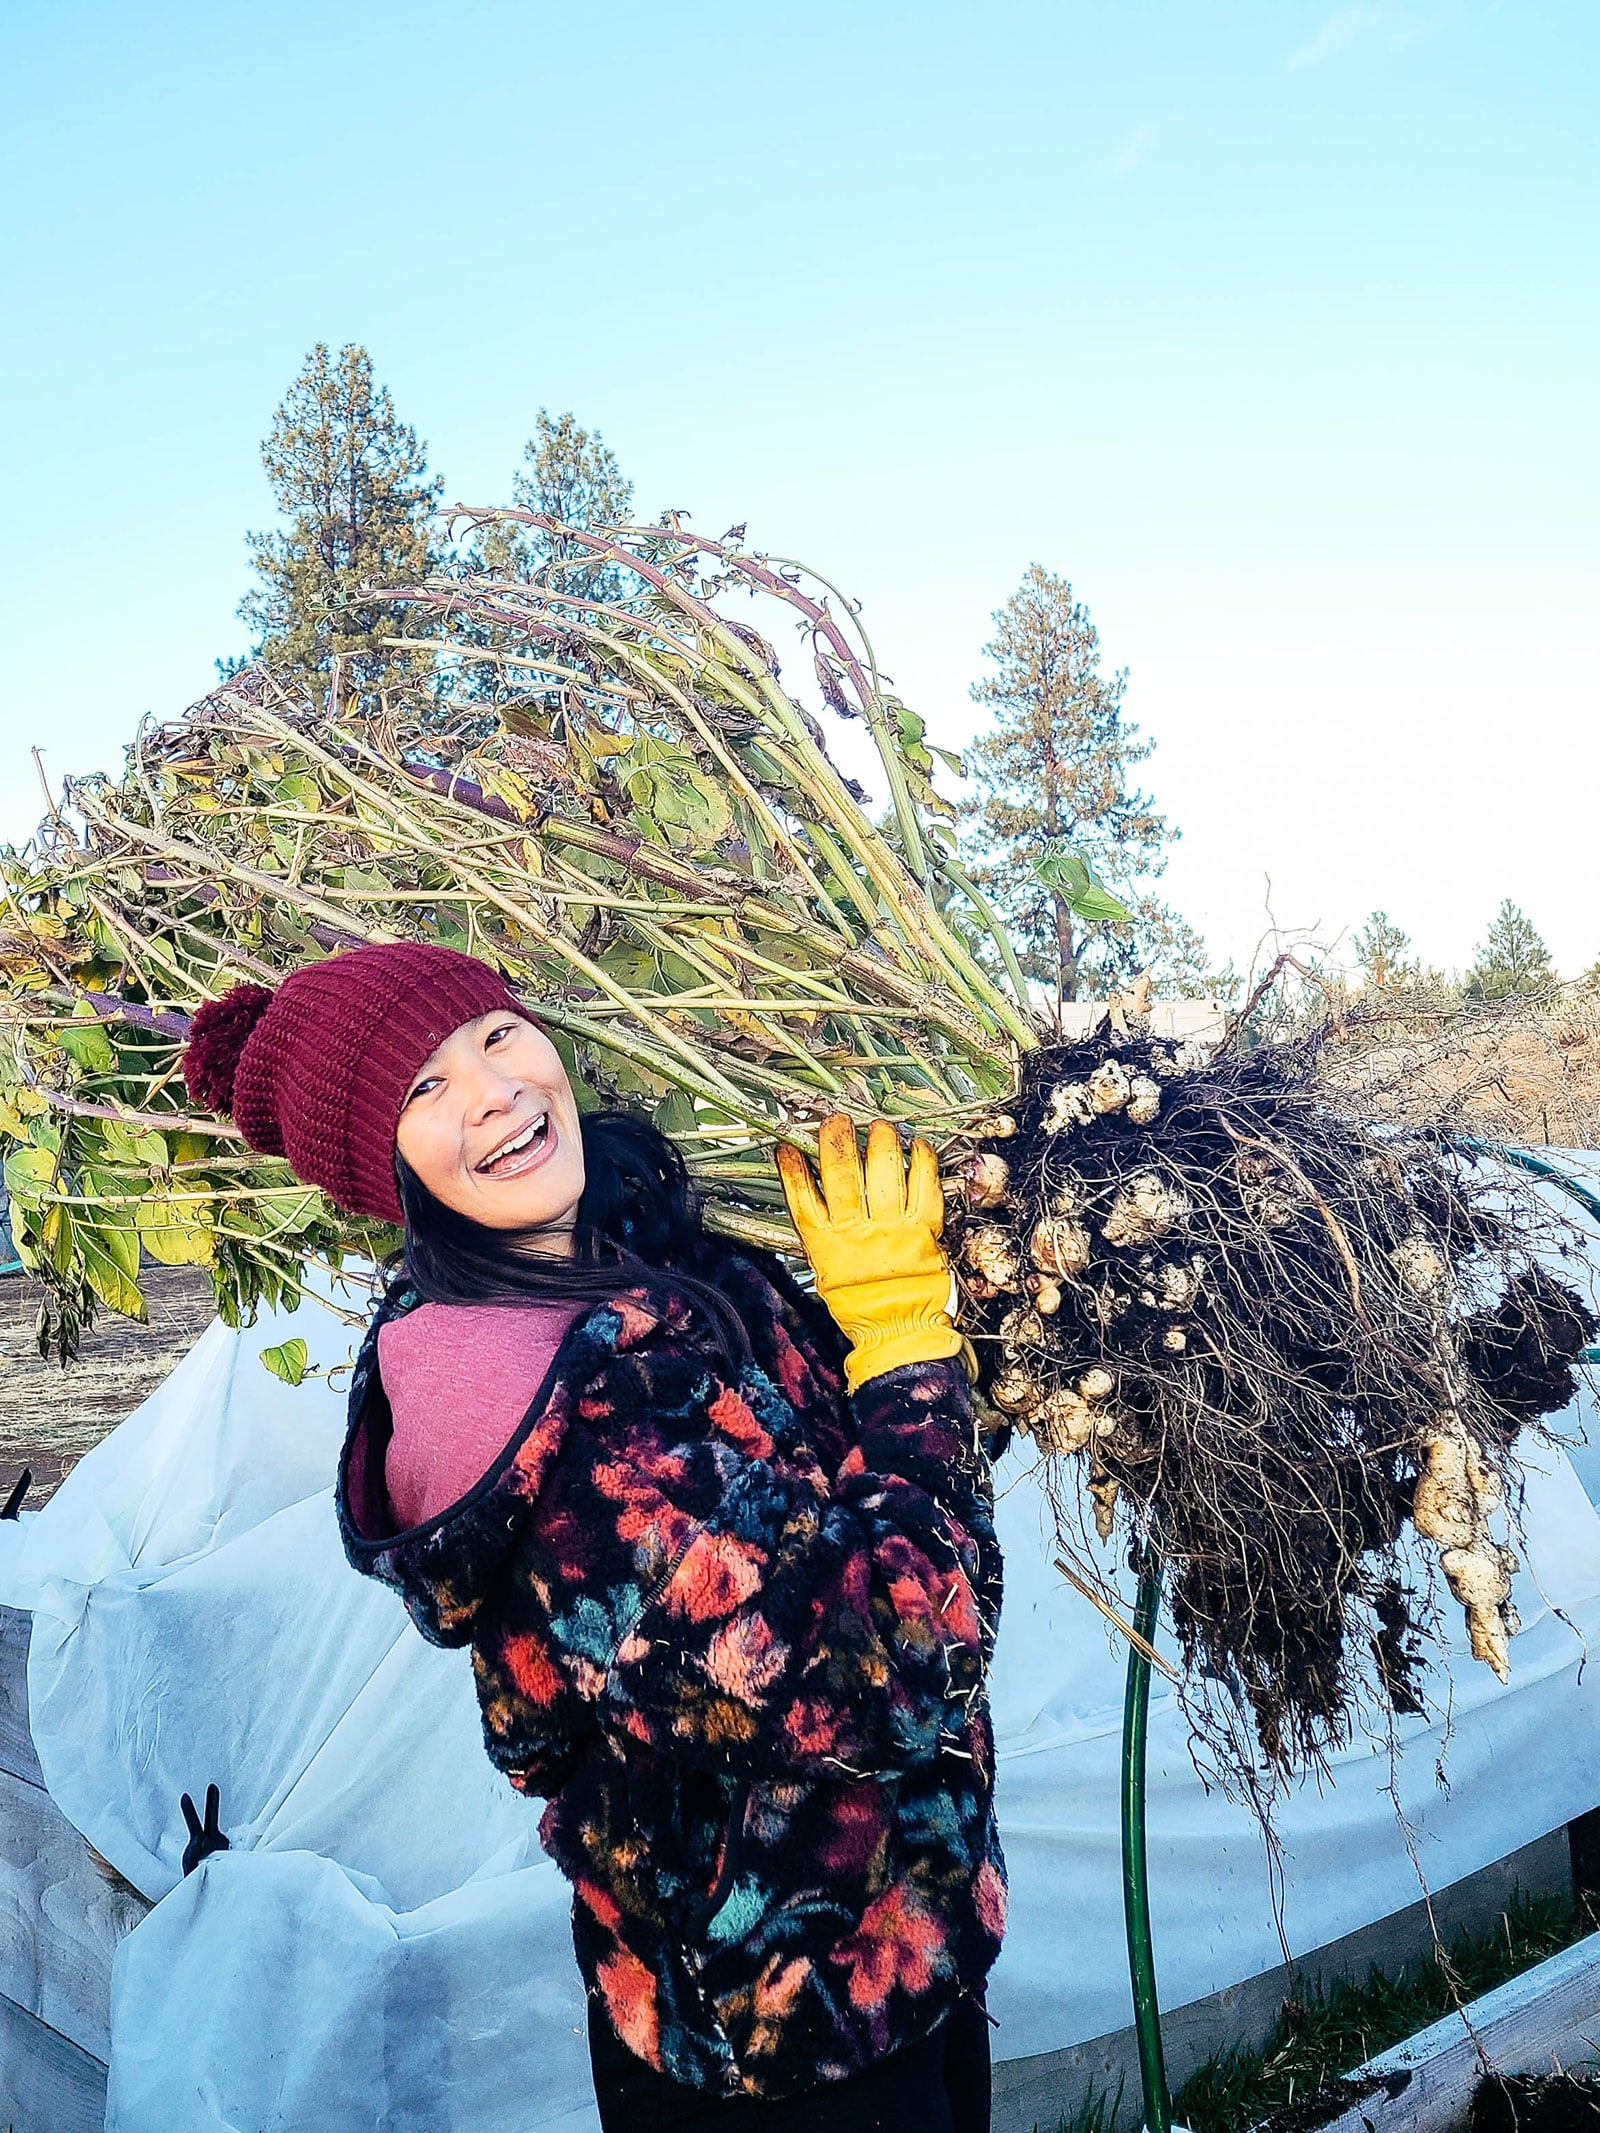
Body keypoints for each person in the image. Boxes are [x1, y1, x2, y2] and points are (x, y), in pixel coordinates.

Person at [182, 942, 1006, 2130]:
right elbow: (885, 1673)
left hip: (904, 1945)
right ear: (387, 1173)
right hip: (777, 2047)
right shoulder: (557, 1437)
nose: (495, 1090)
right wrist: (906, 1353)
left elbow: (885, 1486)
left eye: (496, 1035)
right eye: (424, 1091)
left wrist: (955, 1332)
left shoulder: (658, 1259)